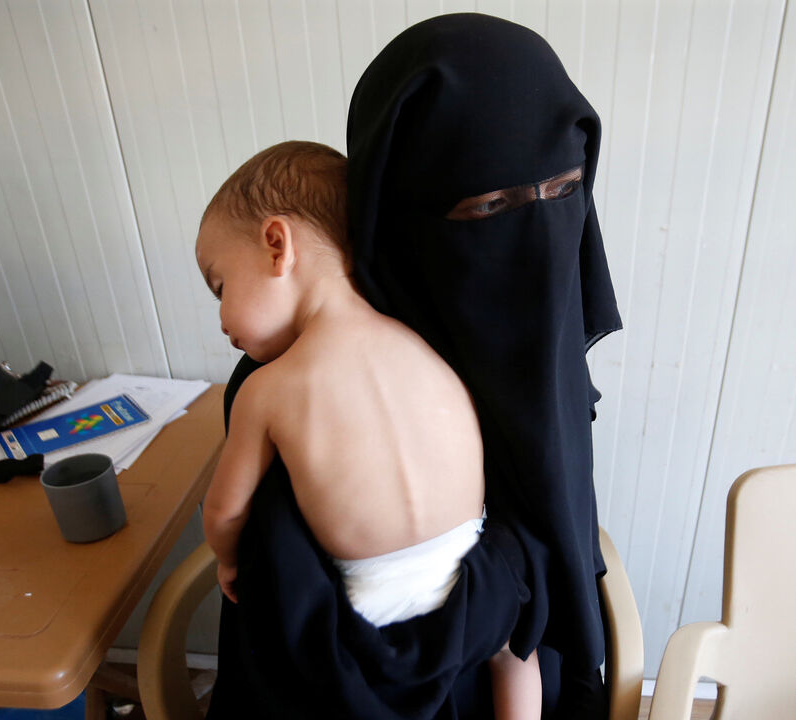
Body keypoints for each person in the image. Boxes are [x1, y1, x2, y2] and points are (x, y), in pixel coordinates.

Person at [205, 13, 623, 720]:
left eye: (563, 191)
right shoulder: (284, 378)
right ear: (396, 207)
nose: (532, 236)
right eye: (488, 204)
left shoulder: (550, 370)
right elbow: (292, 648)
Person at [196, 139, 542, 720]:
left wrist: (228, 561)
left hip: (372, 610)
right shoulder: (426, 344)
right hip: (474, 581)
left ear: (277, 246)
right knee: (515, 650)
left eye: (220, 286)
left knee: (315, 683)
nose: (222, 318)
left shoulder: (269, 388)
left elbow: (226, 511)